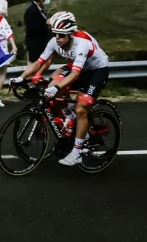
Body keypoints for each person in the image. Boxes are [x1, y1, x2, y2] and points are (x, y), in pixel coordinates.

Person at [11, 11, 109, 167]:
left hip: (96, 71)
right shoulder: (54, 42)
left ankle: (76, 153)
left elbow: (75, 74)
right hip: (77, 67)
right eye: (55, 34)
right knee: (51, 87)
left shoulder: (82, 43)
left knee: (82, 107)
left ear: (71, 34)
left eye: (62, 35)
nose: (58, 38)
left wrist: (57, 87)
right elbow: (39, 62)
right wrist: (21, 78)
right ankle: (69, 116)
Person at [23, 0, 51, 64]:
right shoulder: (31, 11)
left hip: (41, 43)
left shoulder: (40, 9)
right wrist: (46, 24)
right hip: (34, 45)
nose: (48, 0)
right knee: (33, 67)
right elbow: (32, 29)